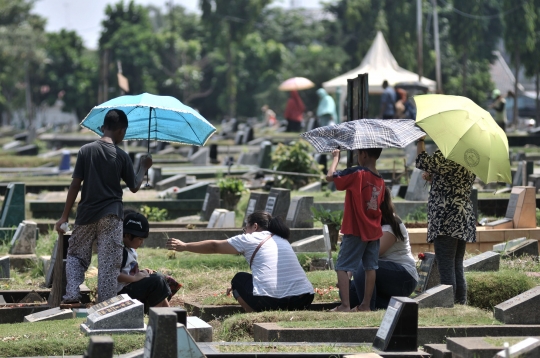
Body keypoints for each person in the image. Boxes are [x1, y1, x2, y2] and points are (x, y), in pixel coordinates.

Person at [55, 109, 153, 304]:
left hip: (86, 214)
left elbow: (75, 185)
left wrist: (64, 217)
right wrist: (144, 167)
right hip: (112, 216)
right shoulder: (121, 156)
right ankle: (105, 305)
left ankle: (72, 294)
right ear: (121, 131)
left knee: (76, 255)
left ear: (103, 128)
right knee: (109, 263)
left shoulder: (86, 150)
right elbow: (134, 186)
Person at [166, 211, 314, 312]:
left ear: (254, 226)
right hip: (305, 298)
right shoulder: (281, 239)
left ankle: (256, 316)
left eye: (246, 228)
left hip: (272, 301)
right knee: (245, 281)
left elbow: (214, 246)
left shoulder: (250, 238)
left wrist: (184, 246)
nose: (245, 232)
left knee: (238, 279)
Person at [415, 136, 476, 304]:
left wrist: (420, 140)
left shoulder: (448, 153)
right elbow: (454, 180)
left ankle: (449, 304)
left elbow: (422, 161)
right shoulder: (469, 155)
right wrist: (434, 178)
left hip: (446, 216)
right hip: (462, 214)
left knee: (446, 264)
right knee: (456, 263)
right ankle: (460, 303)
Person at [326, 148, 385, 312]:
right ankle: (365, 305)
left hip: (355, 228)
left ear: (364, 154)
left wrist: (336, 158)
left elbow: (330, 176)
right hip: (374, 230)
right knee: (370, 267)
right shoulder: (380, 179)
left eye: (358, 153)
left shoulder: (358, 173)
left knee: (342, 267)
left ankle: (345, 305)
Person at [348, 186, 419, 310]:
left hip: (403, 277)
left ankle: (367, 307)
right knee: (349, 295)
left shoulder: (391, 225)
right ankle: (388, 307)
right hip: (382, 276)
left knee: (364, 264)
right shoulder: (373, 223)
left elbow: (371, 255)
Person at [118, 211, 181, 312]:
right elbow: (116, 276)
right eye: (140, 239)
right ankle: (156, 318)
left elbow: (128, 270)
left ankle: (169, 314)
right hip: (122, 292)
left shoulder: (130, 249)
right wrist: (134, 278)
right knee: (157, 281)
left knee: (162, 278)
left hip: (131, 285)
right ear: (128, 236)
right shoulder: (121, 252)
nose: (142, 242)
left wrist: (141, 272)